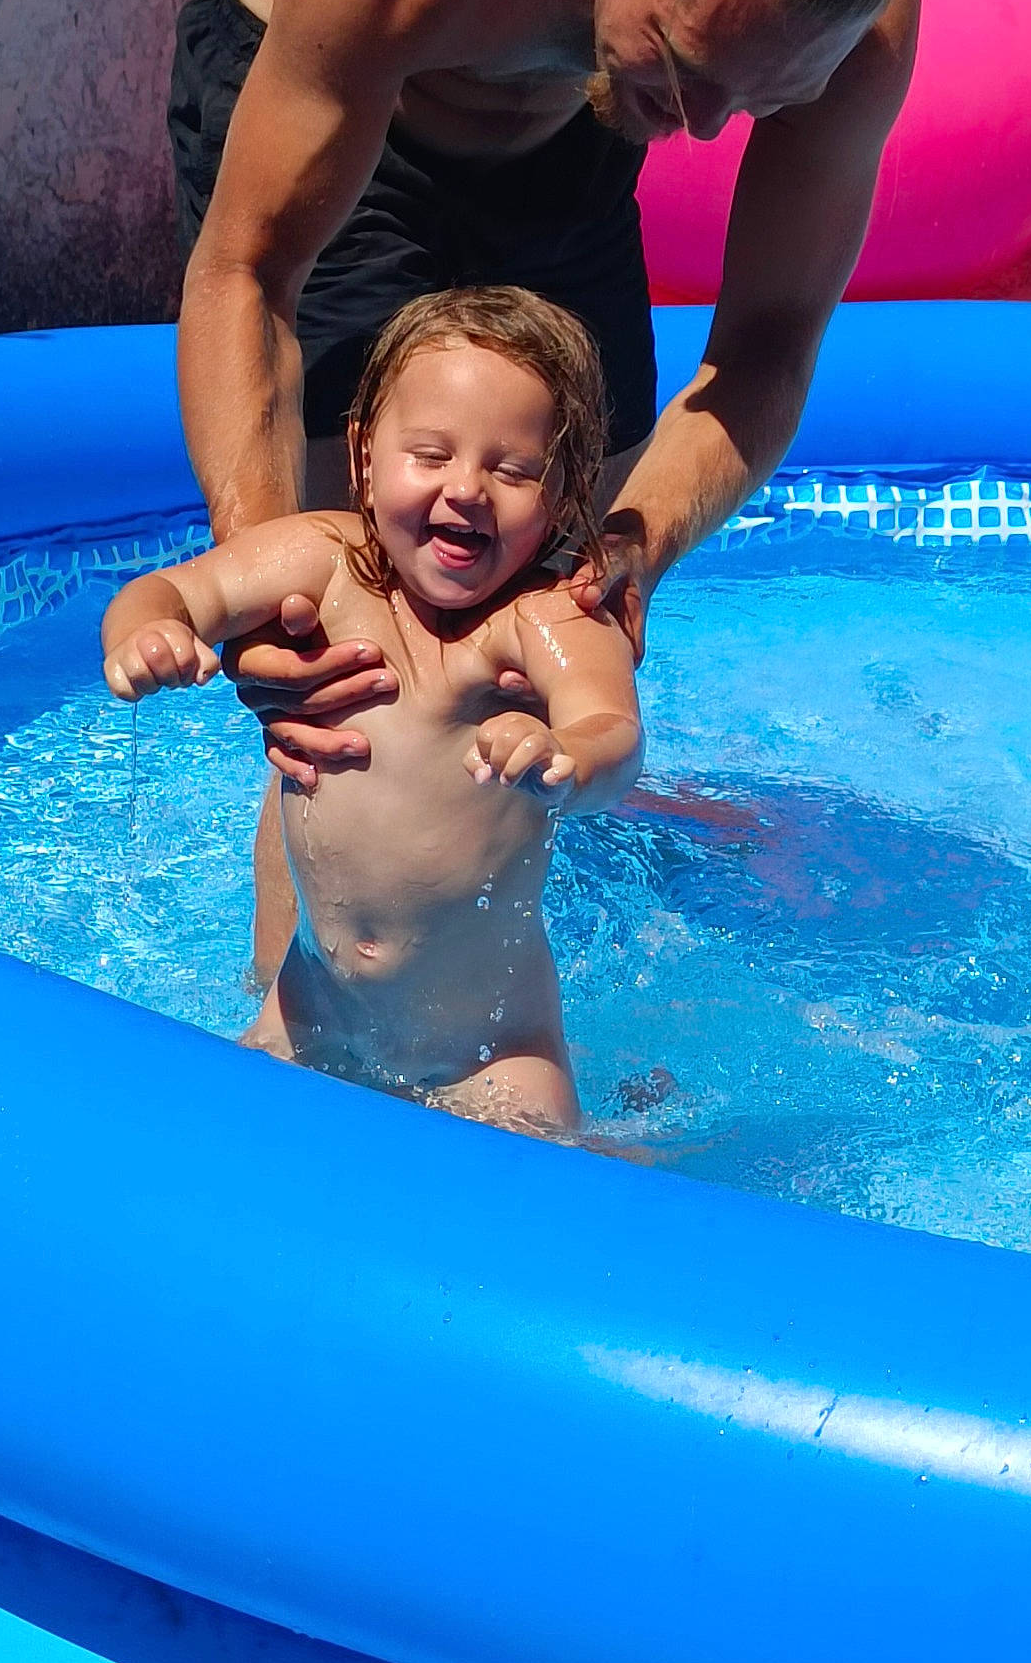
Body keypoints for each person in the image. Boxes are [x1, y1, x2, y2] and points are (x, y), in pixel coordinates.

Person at [168, 0, 920, 980]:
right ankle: (301, 1052)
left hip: (579, 134)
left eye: (756, 98)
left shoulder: (856, 19)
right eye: (690, 68)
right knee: (343, 669)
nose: (703, 131)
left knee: (560, 608)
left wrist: (635, 547)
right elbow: (249, 278)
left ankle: (502, 1026)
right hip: (350, 98)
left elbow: (768, 342)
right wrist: (260, 592)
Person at [101, 288, 641, 1135]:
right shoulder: (322, 560)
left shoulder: (549, 618)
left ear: (566, 491)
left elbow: (613, 728)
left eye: (512, 471)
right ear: (362, 457)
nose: (466, 490)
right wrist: (148, 635)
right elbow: (173, 588)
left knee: (547, 1217)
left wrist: (566, 754)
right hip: (312, 1008)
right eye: (429, 455)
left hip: (493, 1051)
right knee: (204, 1148)